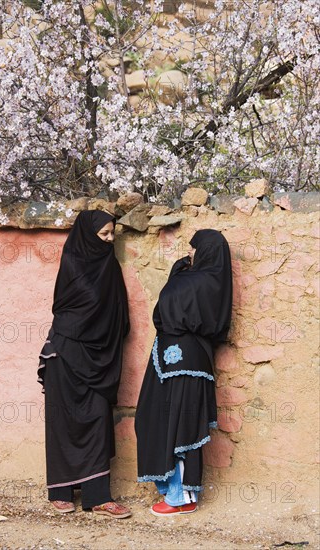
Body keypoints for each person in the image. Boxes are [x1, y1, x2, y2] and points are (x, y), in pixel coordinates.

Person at [38, 210, 131, 519]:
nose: (108, 240)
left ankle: (97, 496)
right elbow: (65, 310)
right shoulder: (73, 264)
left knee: (98, 422)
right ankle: (60, 492)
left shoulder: (111, 268)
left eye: (111, 234)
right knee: (63, 423)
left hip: (99, 360)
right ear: (88, 236)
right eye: (103, 234)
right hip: (65, 355)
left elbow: (120, 317)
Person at [135, 229, 232, 516]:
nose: (189, 254)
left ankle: (181, 497)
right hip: (177, 361)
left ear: (205, 251)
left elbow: (163, 310)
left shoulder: (201, 281)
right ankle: (177, 493)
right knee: (162, 421)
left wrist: (177, 277)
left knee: (179, 427)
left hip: (185, 363)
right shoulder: (205, 280)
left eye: (194, 249)